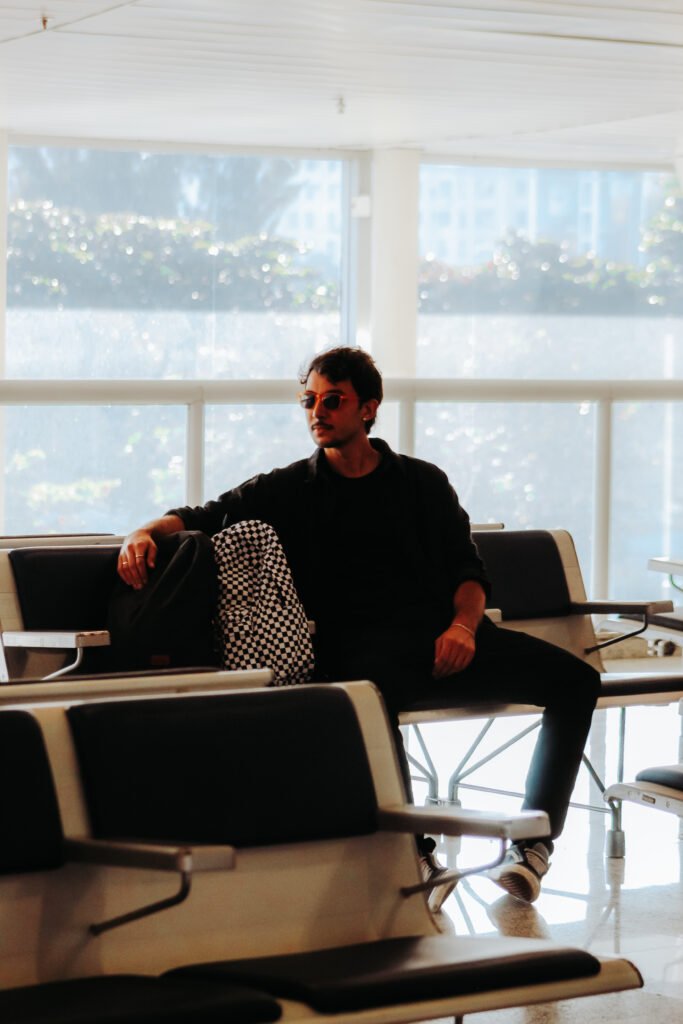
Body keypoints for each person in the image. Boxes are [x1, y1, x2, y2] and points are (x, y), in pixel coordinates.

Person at [118, 346, 600, 907]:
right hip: (361, 653)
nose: (317, 413)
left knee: (577, 680)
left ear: (368, 408)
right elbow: (203, 514)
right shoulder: (288, 488)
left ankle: (533, 847)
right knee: (369, 694)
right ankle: (415, 853)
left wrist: (464, 629)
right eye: (309, 401)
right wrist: (143, 532)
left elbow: (469, 573)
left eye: (333, 401)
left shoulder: (423, 482)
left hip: (450, 641)